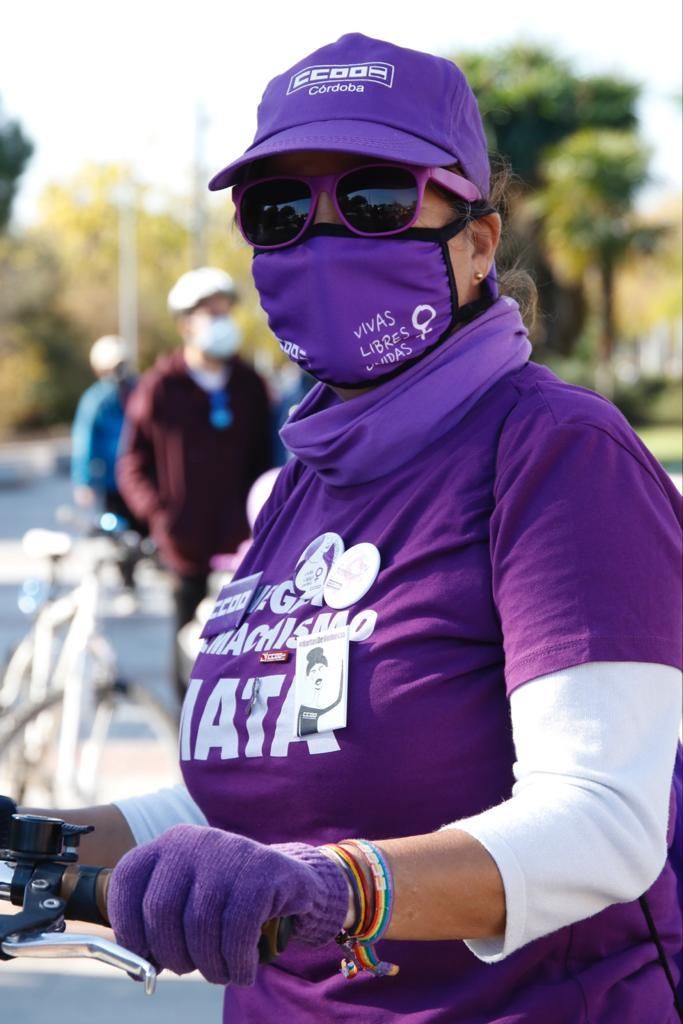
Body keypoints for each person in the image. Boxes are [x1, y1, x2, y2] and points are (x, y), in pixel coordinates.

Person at [9, 34, 681, 1023]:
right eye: (279, 211)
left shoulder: (555, 451)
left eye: (374, 198)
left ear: (478, 241)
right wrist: (38, 841)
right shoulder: (298, 482)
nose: (324, 241)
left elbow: (603, 822)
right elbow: (261, 807)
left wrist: (337, 892)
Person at [116, 266, 273, 702]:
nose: (222, 322)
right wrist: (159, 516)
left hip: (242, 550)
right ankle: (188, 746)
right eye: (211, 313)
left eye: (227, 312)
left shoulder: (250, 386)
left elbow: (268, 461)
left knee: (241, 651)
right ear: (186, 324)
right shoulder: (160, 388)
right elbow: (131, 464)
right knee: (186, 649)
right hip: (183, 548)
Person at [70, 334, 142, 589]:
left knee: (140, 529)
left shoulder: (140, 390)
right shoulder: (96, 400)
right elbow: (84, 441)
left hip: (140, 476)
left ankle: (139, 569)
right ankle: (126, 580)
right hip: (113, 480)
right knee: (118, 532)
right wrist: (83, 481)